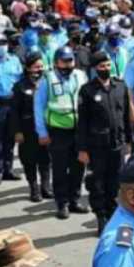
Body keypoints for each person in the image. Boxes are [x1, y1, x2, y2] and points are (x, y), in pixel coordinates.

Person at [78, 51, 133, 236]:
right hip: (96, 147)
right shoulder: (87, 91)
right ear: (95, 69)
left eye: (108, 65)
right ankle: (101, 218)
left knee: (115, 183)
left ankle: (112, 216)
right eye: (101, 67)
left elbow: (126, 116)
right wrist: (83, 149)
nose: (106, 69)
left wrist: (129, 141)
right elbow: (83, 123)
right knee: (97, 184)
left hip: (117, 144)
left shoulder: (120, 86)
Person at [34, 45, 89, 218]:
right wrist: (42, 132)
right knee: (59, 168)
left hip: (79, 129)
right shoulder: (47, 79)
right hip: (58, 131)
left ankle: (74, 200)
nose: (67, 64)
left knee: (78, 167)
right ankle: (62, 203)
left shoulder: (81, 76)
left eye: (70, 60)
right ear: (56, 62)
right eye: (63, 61)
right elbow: (38, 106)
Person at [10, 52, 52, 203]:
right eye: (35, 67)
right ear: (28, 68)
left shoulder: (47, 83)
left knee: (45, 160)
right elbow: (14, 111)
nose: (39, 70)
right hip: (26, 129)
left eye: (41, 66)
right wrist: (17, 131)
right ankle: (34, 188)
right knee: (29, 160)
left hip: (45, 128)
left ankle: (46, 187)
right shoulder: (20, 86)